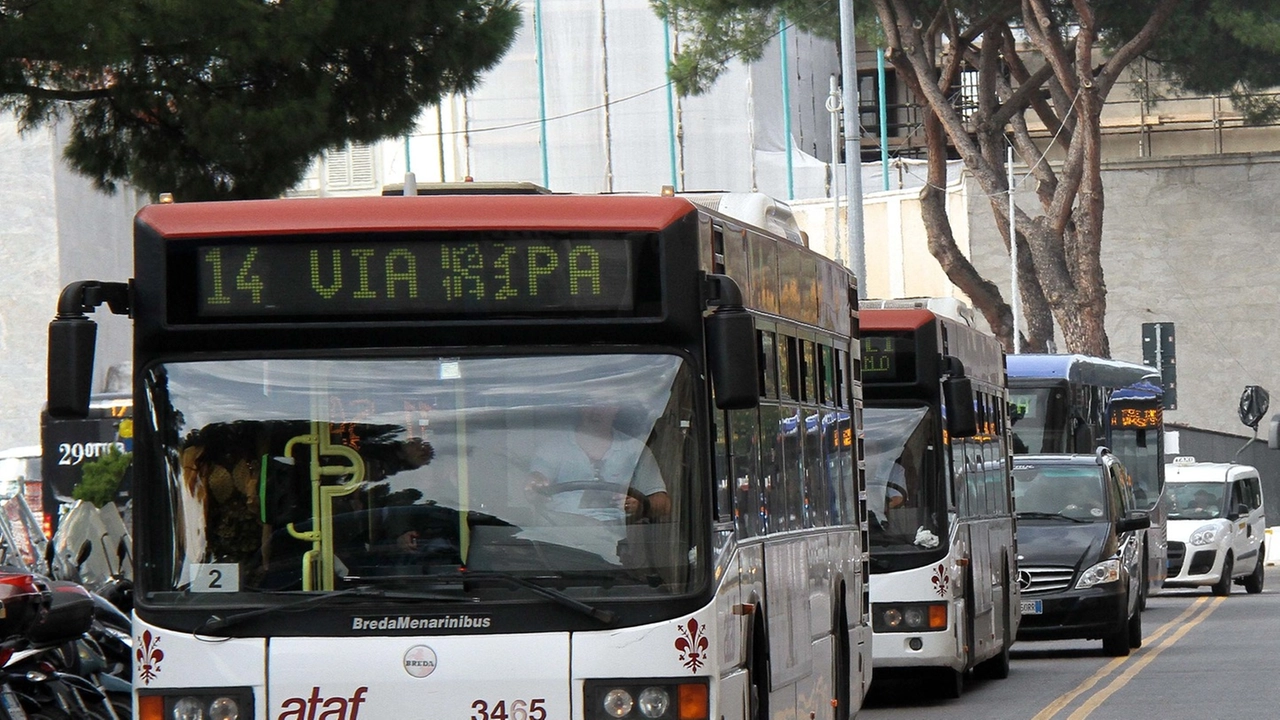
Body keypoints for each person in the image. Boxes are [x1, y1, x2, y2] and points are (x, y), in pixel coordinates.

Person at [526, 404, 670, 524]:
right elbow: (537, 478)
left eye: (605, 403)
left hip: (616, 541)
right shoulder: (553, 447)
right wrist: (535, 483)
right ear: (580, 406)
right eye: (590, 402)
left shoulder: (636, 450)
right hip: (559, 535)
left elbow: (663, 503)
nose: (596, 410)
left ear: (618, 407)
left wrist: (641, 506)